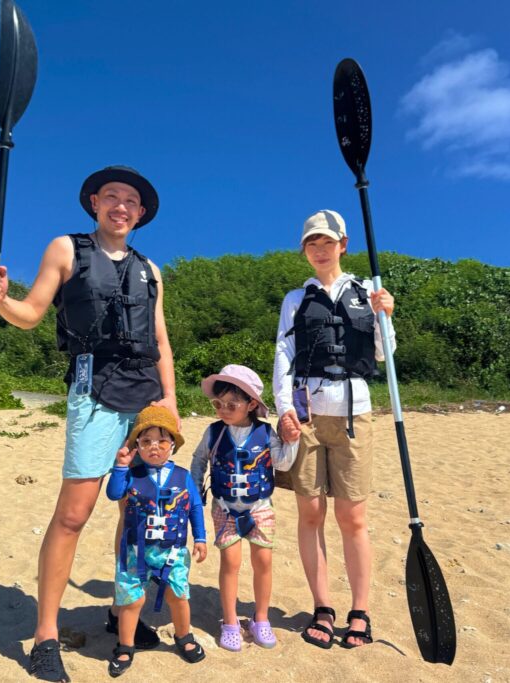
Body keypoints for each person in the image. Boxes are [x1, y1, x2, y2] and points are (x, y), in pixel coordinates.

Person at [0, 166, 178, 681]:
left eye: (131, 201)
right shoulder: (67, 249)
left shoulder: (150, 270)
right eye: (112, 196)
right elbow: (31, 312)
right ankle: (46, 634)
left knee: (136, 510)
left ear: (141, 214)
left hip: (146, 397)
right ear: (94, 202)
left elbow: (159, 338)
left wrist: (170, 399)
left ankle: (119, 609)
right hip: (93, 391)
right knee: (74, 513)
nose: (121, 206)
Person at [272, 209, 395, 650]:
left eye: (327, 241)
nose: (320, 249)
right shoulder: (295, 299)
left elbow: (385, 356)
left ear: (343, 244)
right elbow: (283, 356)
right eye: (311, 243)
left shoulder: (367, 291)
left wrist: (386, 316)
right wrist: (284, 408)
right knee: (310, 514)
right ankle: (322, 606)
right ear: (304, 251)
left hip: (354, 411)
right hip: (306, 416)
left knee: (352, 517)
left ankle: (359, 610)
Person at [188, 365, 297, 652]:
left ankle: (261, 618)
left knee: (263, 563)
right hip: (224, 508)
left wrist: (293, 441)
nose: (223, 409)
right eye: (218, 404)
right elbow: (199, 460)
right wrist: (196, 490)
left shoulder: (265, 433)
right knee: (231, 563)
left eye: (232, 404)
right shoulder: (213, 433)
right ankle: (230, 622)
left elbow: (283, 463)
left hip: (260, 507)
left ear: (251, 404)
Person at [106, 405, 208, 677]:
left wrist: (200, 537)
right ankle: (125, 645)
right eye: (146, 440)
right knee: (131, 600)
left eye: (162, 440)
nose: (154, 446)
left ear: (172, 444)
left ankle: (184, 636)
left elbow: (195, 507)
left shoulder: (183, 476)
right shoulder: (131, 475)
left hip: (172, 551)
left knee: (178, 594)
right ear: (137, 445)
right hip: (135, 550)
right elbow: (114, 493)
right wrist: (120, 466)